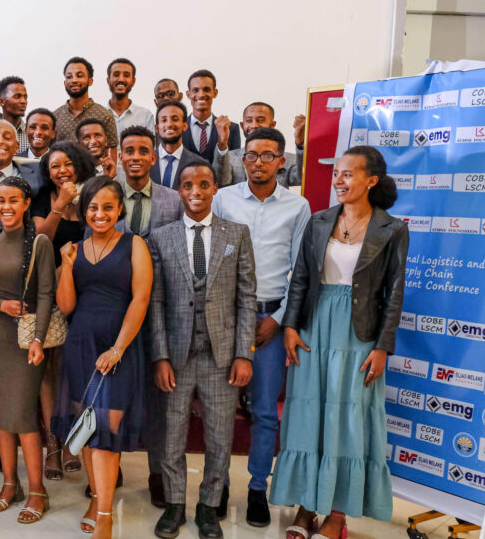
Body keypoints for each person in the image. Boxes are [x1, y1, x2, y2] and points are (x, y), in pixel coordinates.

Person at [270, 146, 405, 539]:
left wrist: (382, 347)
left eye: (349, 174)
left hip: (360, 333)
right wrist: (290, 326)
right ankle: (306, 507)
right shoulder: (318, 221)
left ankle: (337, 515)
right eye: (337, 174)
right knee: (309, 418)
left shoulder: (392, 229)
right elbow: (301, 279)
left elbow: (395, 292)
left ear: (371, 180)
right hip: (314, 327)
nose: (339, 181)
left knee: (347, 421)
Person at [149, 162, 256, 539]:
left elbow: (247, 299)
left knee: (219, 435)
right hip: (177, 357)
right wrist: (160, 356)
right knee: (173, 434)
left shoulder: (237, 234)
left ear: (214, 189)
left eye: (203, 184)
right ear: (179, 190)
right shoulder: (161, 237)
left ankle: (209, 506)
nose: (196, 191)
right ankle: (175, 504)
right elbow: (156, 302)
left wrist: (245, 353)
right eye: (187, 185)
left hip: (221, 356)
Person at [211, 127, 310, 526]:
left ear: (281, 161)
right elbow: (213, 258)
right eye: (251, 155)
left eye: (268, 156)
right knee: (221, 410)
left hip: (270, 319)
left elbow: (300, 270)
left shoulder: (297, 207)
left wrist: (279, 318)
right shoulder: (224, 198)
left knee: (266, 412)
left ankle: (256, 489)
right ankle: (215, 486)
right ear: (241, 160)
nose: (258, 163)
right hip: (226, 317)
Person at [53, 176, 152, 538]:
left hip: (117, 347)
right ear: (84, 211)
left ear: (120, 209)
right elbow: (66, 306)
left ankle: (106, 515)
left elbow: (140, 300)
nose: (100, 214)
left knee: (107, 433)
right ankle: (96, 498)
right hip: (81, 345)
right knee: (88, 430)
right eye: (93, 207)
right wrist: (65, 265)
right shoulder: (75, 249)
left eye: (108, 207)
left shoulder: (134, 244)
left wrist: (118, 349)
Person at [0, 175, 55, 524]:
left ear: (25, 204)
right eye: (0, 200)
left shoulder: (40, 243)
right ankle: (10, 484)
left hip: (26, 340)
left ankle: (38, 490)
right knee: (0, 414)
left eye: (13, 200)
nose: (6, 206)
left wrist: (38, 339)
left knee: (21, 414)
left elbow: (47, 295)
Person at [114, 126, 182, 509]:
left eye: (143, 150)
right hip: (114, 307)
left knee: (159, 399)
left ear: (154, 157)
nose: (136, 156)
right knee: (115, 390)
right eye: (129, 150)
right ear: (120, 156)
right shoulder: (106, 196)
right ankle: (112, 460)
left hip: (160, 309)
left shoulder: (173, 200)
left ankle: (158, 472)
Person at [29, 141, 95, 480]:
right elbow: (41, 240)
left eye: (68, 163)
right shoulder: (43, 198)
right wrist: (61, 203)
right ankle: (52, 445)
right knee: (50, 372)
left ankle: (78, 443)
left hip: (88, 292)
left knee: (80, 370)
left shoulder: (95, 192)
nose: (62, 170)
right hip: (49, 295)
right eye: (55, 166)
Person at [222, 102, 306, 187]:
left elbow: (302, 179)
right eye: (249, 120)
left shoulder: (286, 159)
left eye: (260, 120)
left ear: (272, 124)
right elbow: (221, 181)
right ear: (242, 125)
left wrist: (300, 143)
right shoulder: (229, 158)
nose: (254, 125)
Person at [151, 101, 229, 189]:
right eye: (164, 120)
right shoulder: (145, 160)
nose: (169, 124)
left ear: (185, 126)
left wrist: (222, 143)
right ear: (157, 128)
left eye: (175, 119)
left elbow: (219, 186)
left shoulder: (200, 163)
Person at [53, 57, 118, 151]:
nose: (74, 80)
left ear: (90, 81)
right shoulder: (55, 117)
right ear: (65, 82)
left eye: (79, 76)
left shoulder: (105, 115)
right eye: (69, 77)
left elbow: (112, 152)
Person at [182, 70, 241, 162]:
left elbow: (234, 166)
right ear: (188, 94)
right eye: (196, 90)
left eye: (206, 89)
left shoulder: (231, 128)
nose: (201, 94)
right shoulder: (178, 128)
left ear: (215, 93)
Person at [107, 58, 155, 136]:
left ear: (133, 81)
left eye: (126, 75)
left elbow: (150, 147)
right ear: (108, 80)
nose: (121, 79)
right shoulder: (97, 115)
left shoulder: (145, 115)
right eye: (116, 75)